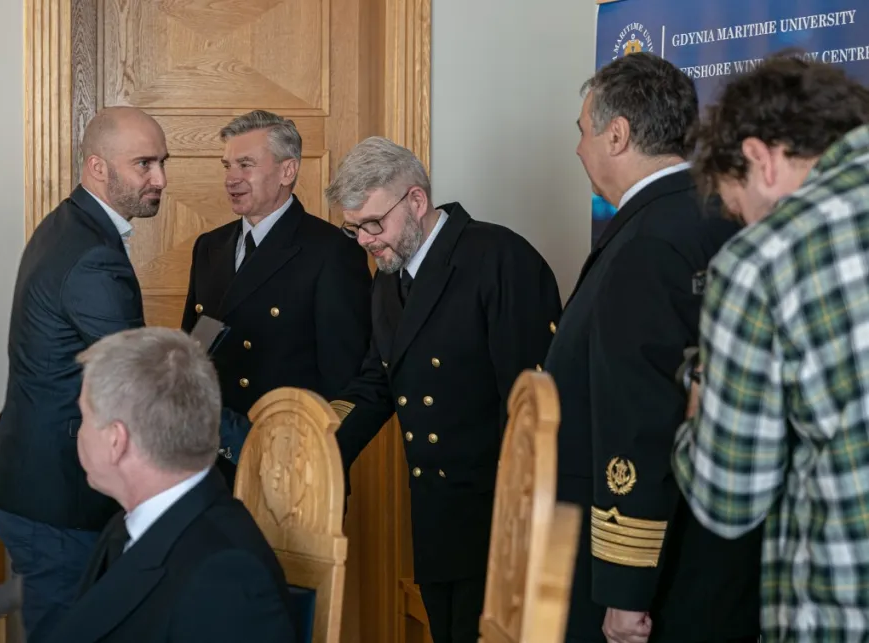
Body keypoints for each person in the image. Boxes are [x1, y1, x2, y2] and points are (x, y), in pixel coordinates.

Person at [541, 52, 761, 643]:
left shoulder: (647, 241)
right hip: (716, 553)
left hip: (659, 575)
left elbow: (639, 421)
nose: (579, 149)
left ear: (617, 134)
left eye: (583, 131)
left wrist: (624, 588)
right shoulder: (719, 215)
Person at [325, 136, 562, 643]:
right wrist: (320, 441)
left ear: (416, 200)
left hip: (497, 517)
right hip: (435, 514)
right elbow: (377, 382)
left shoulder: (498, 258)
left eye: (373, 223)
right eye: (354, 228)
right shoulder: (389, 276)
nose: (364, 240)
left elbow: (530, 408)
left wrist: (524, 528)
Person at [673, 53, 869, 643]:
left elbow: (730, 500)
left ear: (761, 158)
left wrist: (701, 394)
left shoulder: (763, 261)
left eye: (741, 210)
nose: (745, 226)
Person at [0, 106, 168, 637]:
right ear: (97, 167)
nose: (160, 179)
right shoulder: (91, 254)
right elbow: (138, 382)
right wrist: (241, 439)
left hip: (31, 481)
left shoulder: (69, 225)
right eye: (144, 164)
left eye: (162, 162)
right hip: (56, 496)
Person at [32, 327, 297, 643]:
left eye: (85, 418)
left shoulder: (226, 579)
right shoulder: (126, 526)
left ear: (116, 440)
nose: (80, 433)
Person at [180, 110, 372, 487]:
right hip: (209, 461)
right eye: (227, 165)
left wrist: (315, 464)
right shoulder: (209, 247)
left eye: (246, 164)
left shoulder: (331, 251)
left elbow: (344, 379)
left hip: (289, 466)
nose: (231, 178)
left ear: (287, 171)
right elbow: (196, 350)